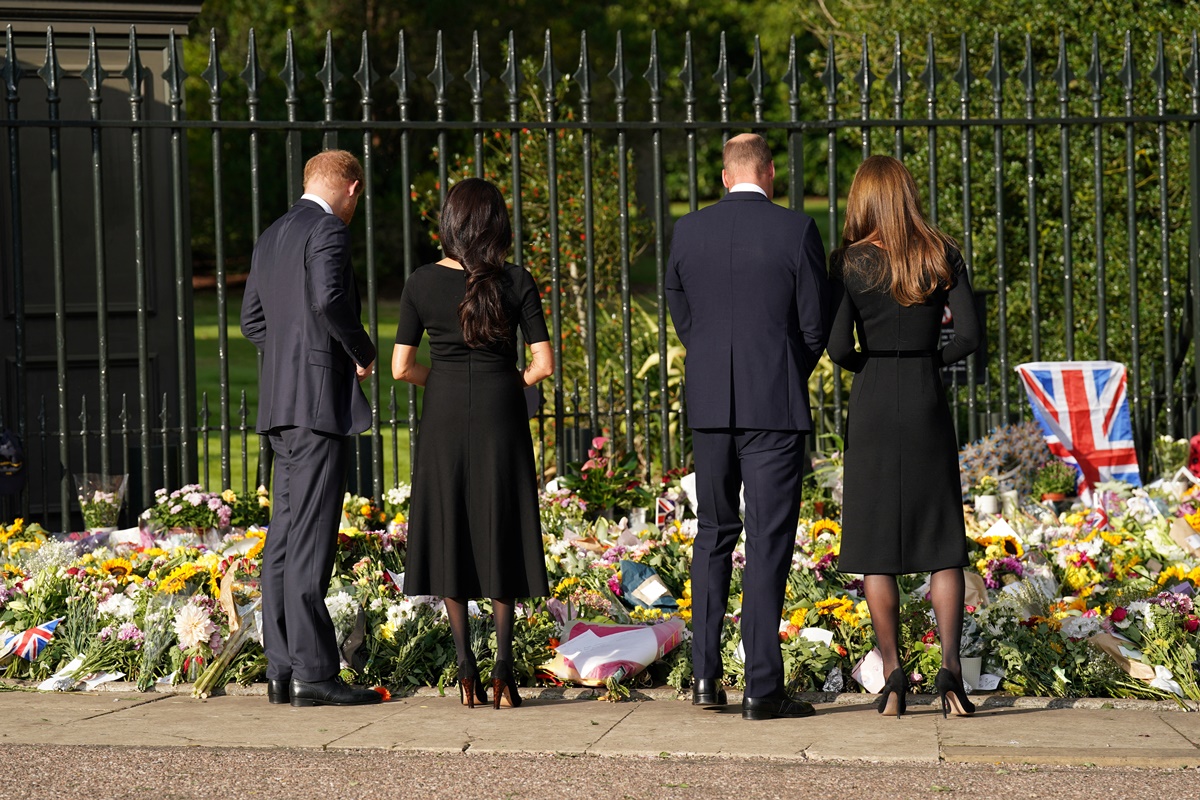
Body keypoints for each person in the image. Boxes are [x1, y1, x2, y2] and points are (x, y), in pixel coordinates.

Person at [666, 133, 831, 720]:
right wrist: (783, 370)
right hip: (774, 408)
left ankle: (705, 678)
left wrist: (711, 358)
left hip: (710, 406)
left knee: (712, 533)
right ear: (769, 171)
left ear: (724, 175)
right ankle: (762, 687)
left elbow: (680, 307)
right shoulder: (795, 230)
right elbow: (815, 324)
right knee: (767, 542)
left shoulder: (688, 230)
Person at [826, 155, 981, 719]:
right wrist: (927, 358)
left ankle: (893, 677)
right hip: (924, 396)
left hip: (873, 400)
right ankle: (951, 674)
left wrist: (874, 363)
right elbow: (968, 336)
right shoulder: (941, 253)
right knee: (941, 541)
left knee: (876, 548)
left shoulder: (848, 263)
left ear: (863, 198)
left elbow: (838, 346)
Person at [392, 178, 553, 709]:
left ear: (450, 222)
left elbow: (400, 367)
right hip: (501, 414)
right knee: (500, 521)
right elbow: (543, 365)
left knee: (451, 527)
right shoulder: (517, 280)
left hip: (442, 418)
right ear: (497, 224)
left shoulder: (420, 282)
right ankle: (505, 668)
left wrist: (438, 381)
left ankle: (467, 672)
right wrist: (509, 383)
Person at [240, 149, 382, 708]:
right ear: (350, 187)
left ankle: (280, 669)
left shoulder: (273, 233)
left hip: (279, 405)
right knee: (310, 540)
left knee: (282, 535)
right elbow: (328, 298)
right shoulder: (328, 229)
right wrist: (359, 351)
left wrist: (290, 358)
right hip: (317, 406)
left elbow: (253, 319)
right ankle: (315, 674)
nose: (356, 206)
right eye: (359, 196)